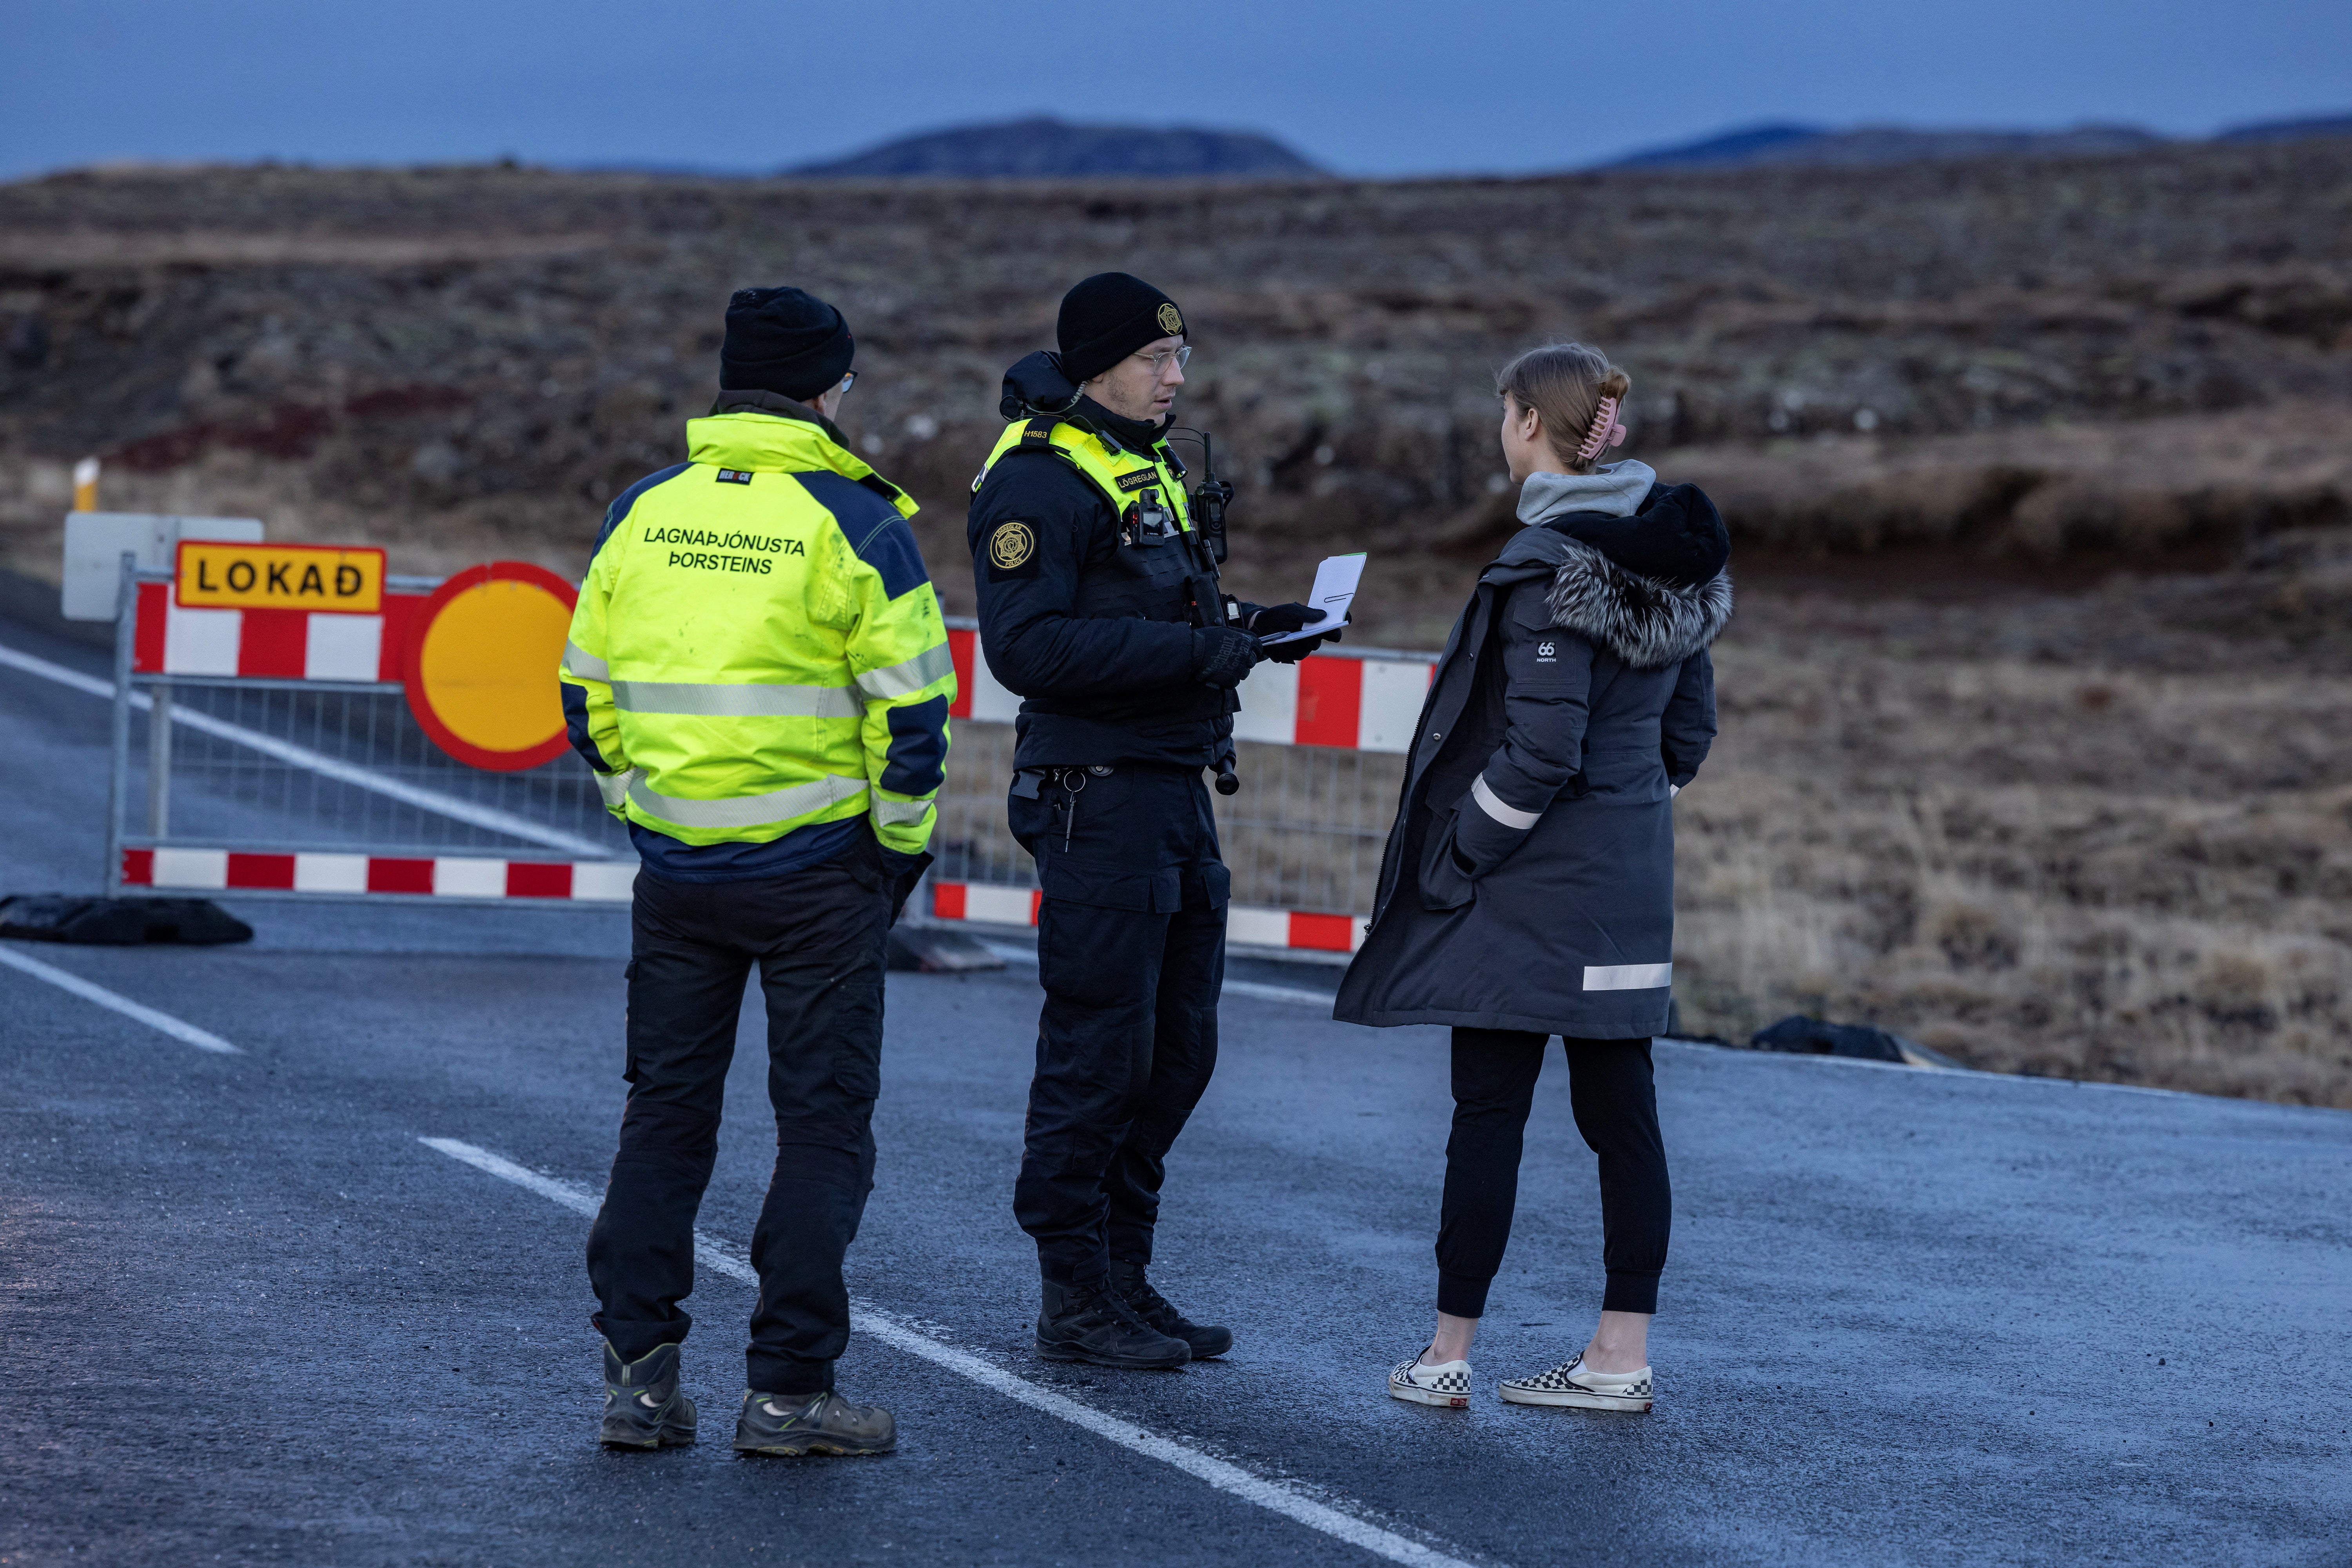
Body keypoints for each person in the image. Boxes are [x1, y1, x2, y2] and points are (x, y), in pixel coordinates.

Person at [558, 285, 955, 1455]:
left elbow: (586, 692)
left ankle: (639, 1382)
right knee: (822, 1129)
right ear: (828, 392)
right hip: (821, 877)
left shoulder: (645, 512)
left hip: (679, 874)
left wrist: (646, 811)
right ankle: (787, 1394)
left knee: (664, 1120)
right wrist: (894, 850)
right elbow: (917, 713)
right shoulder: (857, 520)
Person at [1332, 342, 1729, 1414]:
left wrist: (1466, 847)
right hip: (1626, 893)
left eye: (1504, 412)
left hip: (1524, 903)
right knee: (1623, 1118)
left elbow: (1540, 754)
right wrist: (1627, 821)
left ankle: (1446, 1354)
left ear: (1528, 427)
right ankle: (1618, 1357)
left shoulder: (1550, 567)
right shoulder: (1671, 554)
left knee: (1489, 1113)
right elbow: (1687, 735)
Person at [968, 272, 1335, 1369]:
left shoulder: (1145, 465)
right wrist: (1194, 654)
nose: (1178, 376)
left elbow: (1152, 609)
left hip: (1172, 789)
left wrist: (1254, 629)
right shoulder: (1039, 481)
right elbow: (1027, 650)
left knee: (1176, 1054)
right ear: (1097, 366)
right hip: (1096, 797)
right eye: (1155, 360)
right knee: (1100, 1051)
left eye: (1181, 358)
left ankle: (1126, 1278)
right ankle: (1073, 1297)